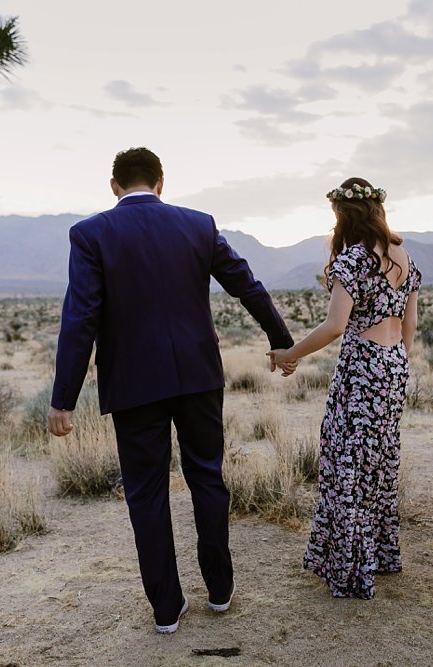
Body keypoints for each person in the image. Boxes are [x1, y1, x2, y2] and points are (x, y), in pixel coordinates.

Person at [47, 147, 296, 634]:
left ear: (115, 186)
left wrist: (64, 398)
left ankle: (166, 609)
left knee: (146, 493)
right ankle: (220, 590)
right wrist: (280, 339)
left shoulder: (91, 234)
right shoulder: (198, 225)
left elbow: (80, 318)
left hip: (134, 383)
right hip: (198, 375)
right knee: (207, 476)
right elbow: (246, 283)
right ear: (161, 183)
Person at [268, 177, 421, 599]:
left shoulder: (353, 260)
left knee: (346, 465)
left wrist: (290, 353)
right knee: (378, 465)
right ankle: (381, 555)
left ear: (344, 215)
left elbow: (335, 326)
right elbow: (410, 327)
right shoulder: (403, 256)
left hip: (361, 370)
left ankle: (352, 570)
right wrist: (396, 366)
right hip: (393, 368)